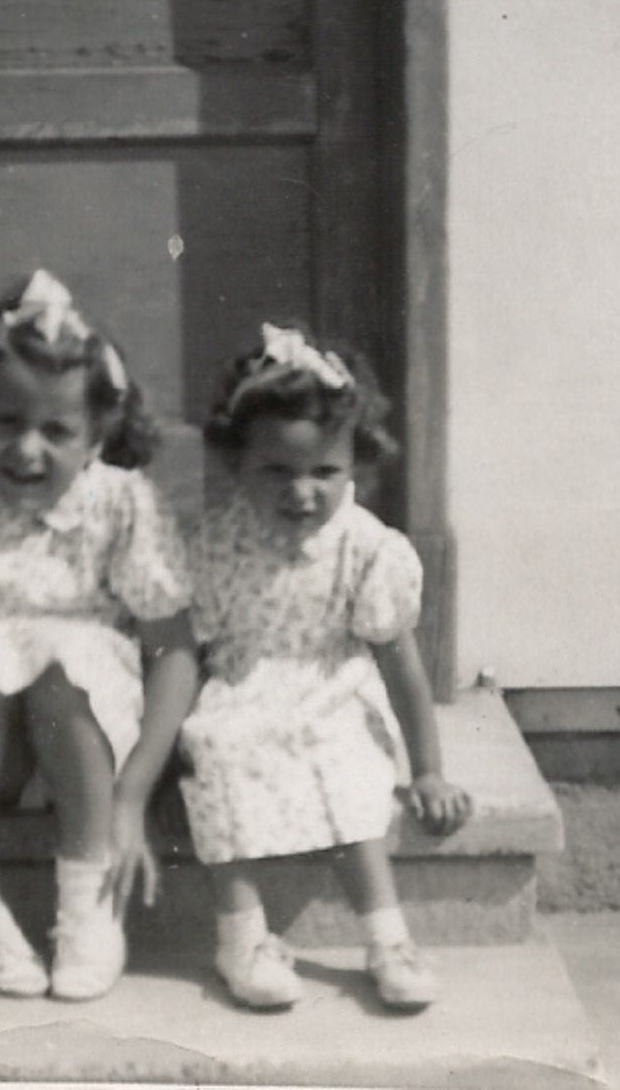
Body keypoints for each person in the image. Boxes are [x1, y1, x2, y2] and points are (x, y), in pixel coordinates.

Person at [0, 270, 199, 1001]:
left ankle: (88, 904)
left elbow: (172, 651)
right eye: (5, 423)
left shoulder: (120, 509)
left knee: (64, 663)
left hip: (90, 744)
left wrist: (133, 798)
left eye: (56, 430)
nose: (28, 449)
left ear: (95, 437)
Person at [179, 324, 474, 1012]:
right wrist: (167, 757)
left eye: (324, 472)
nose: (302, 492)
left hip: (330, 684)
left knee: (341, 761)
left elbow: (401, 664)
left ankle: (387, 936)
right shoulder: (216, 545)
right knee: (218, 749)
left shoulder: (367, 547)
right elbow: (188, 658)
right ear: (236, 462)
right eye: (276, 471)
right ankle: (243, 934)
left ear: (356, 466)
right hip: (241, 685)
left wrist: (427, 767)